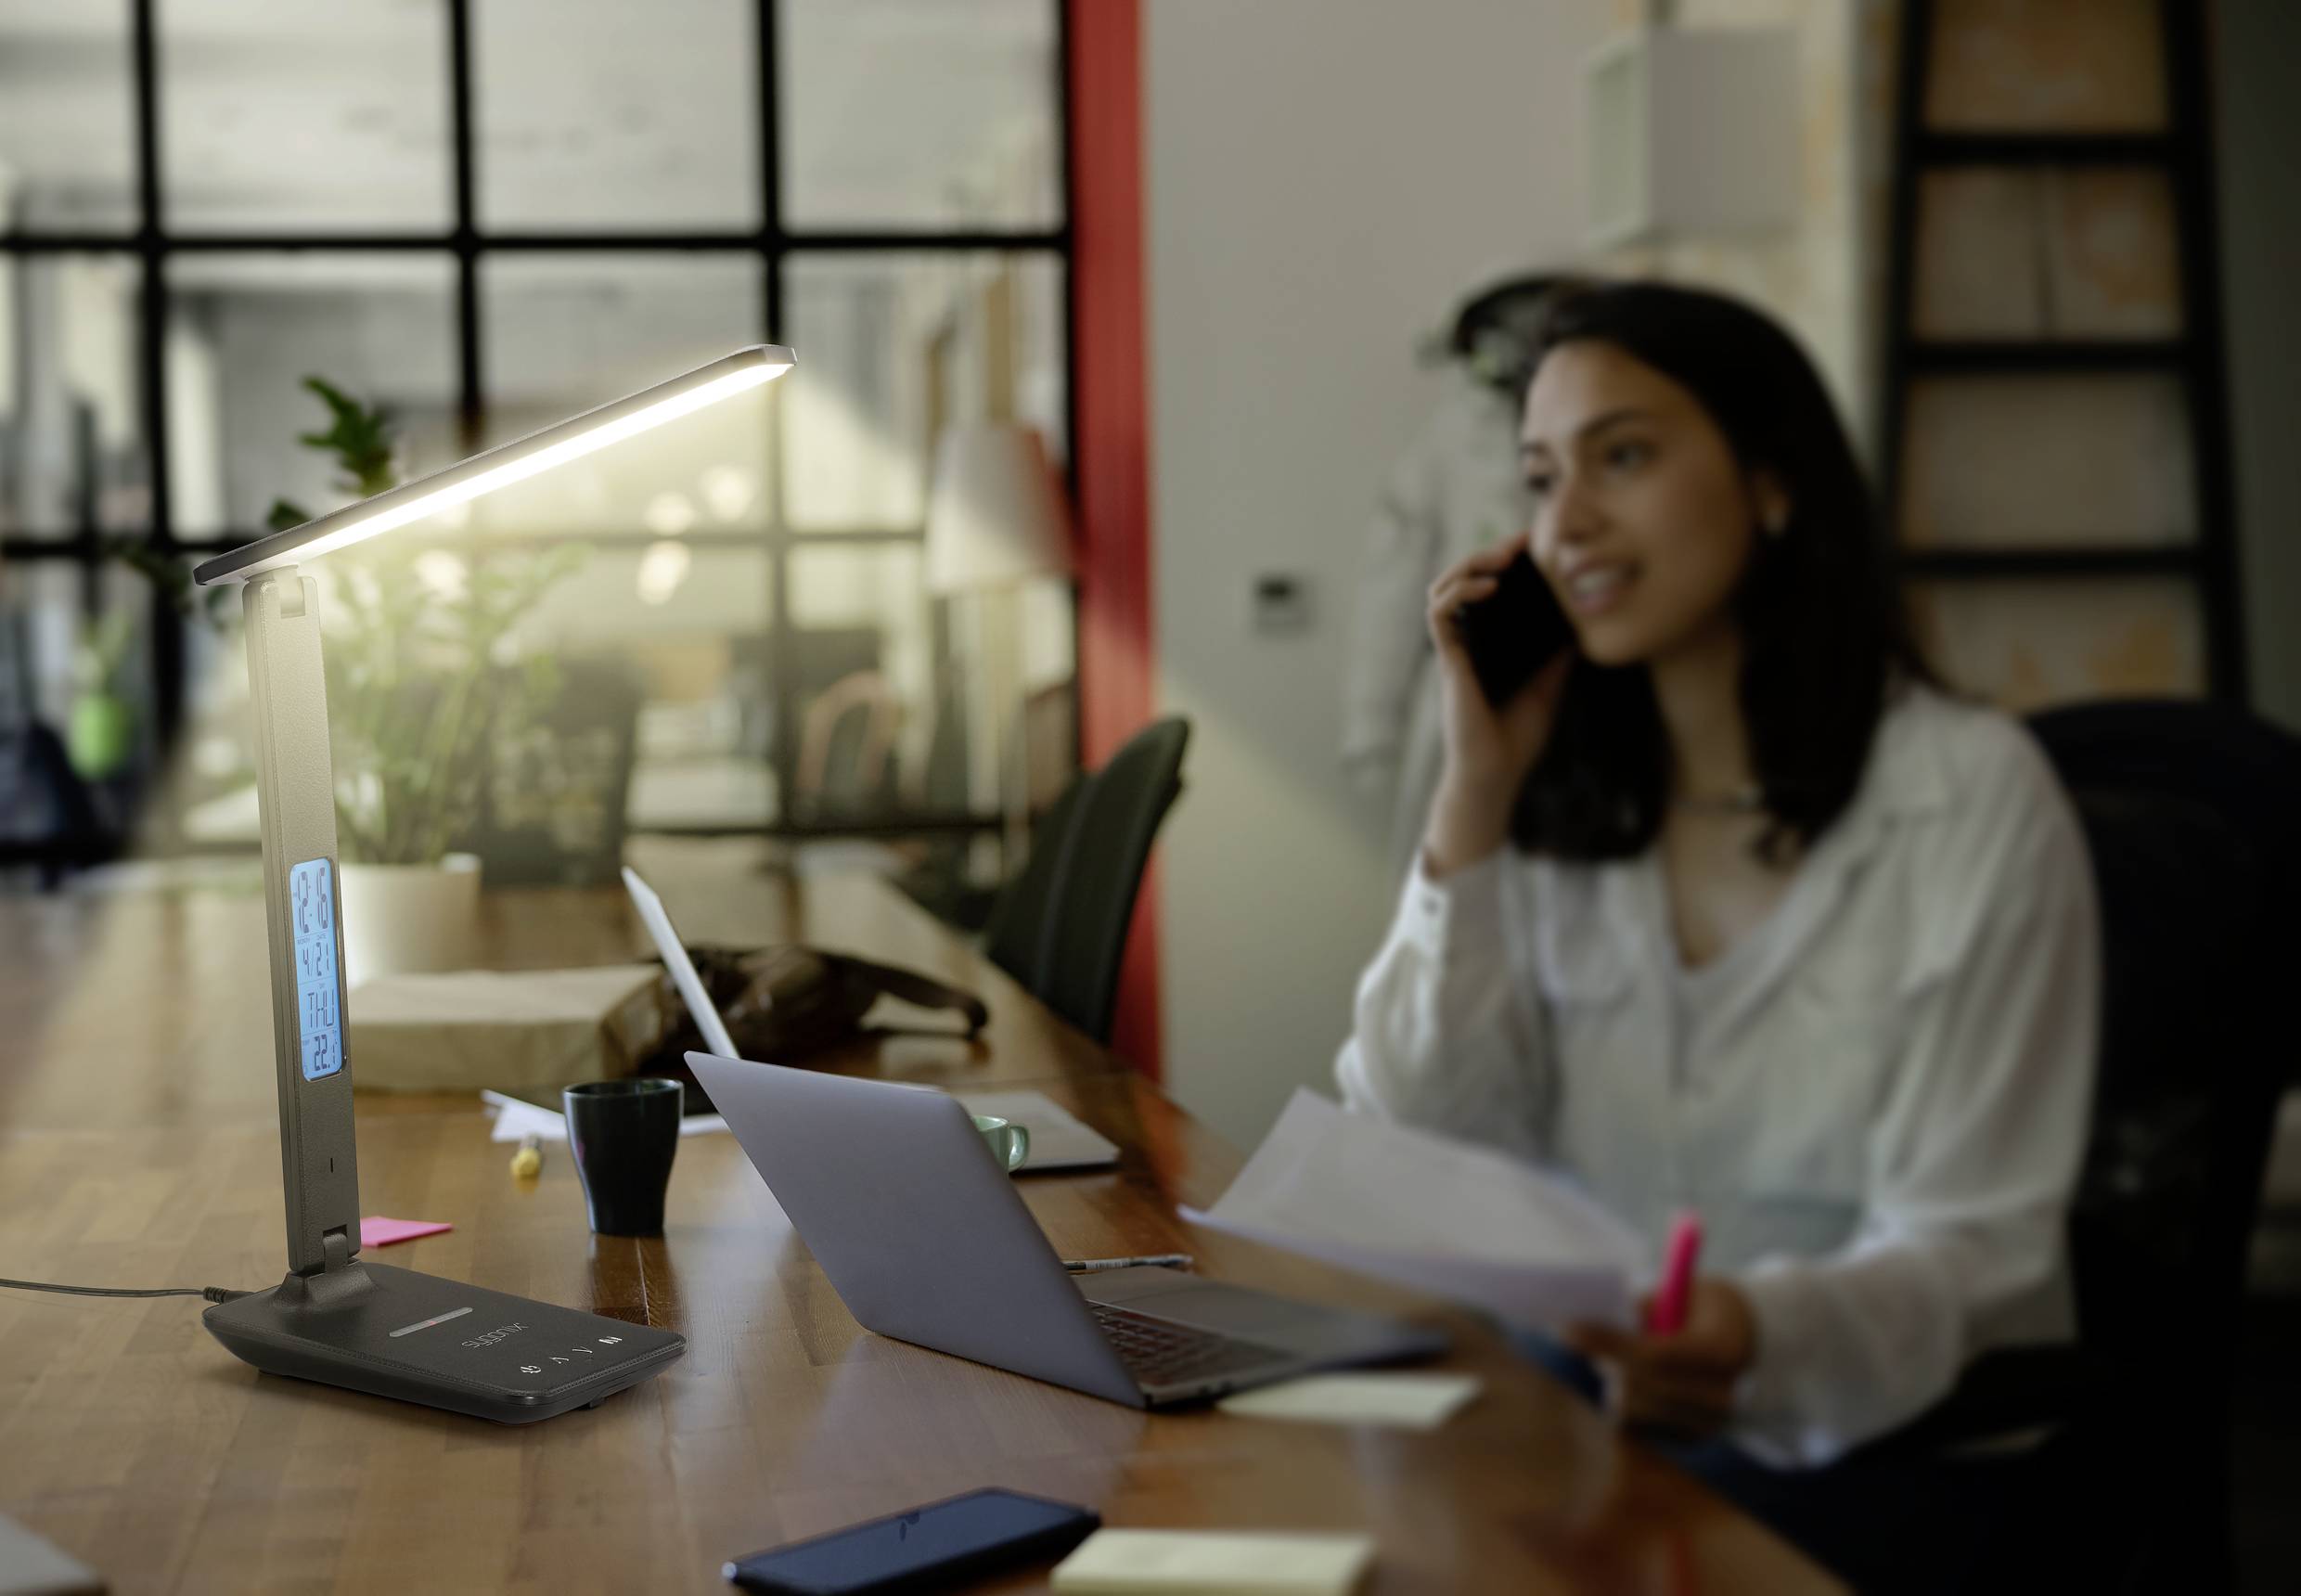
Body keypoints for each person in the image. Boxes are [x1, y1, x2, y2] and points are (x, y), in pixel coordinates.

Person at [1333, 280, 2100, 1583]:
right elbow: (1425, 1142)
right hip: (1609, 1422)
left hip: (1884, 1455)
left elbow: (1977, 1246)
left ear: (1774, 483)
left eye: (1622, 458)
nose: (1565, 524)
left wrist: (1757, 1330)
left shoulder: (1969, 796)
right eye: (1538, 478)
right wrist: (1473, 793)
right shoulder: (1569, 808)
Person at [1342, 272, 1582, 872]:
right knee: (1455, 878)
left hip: (1578, 684)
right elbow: (1392, 577)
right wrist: (1372, 723)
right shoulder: (1450, 441)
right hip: (1466, 682)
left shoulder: (1583, 428)